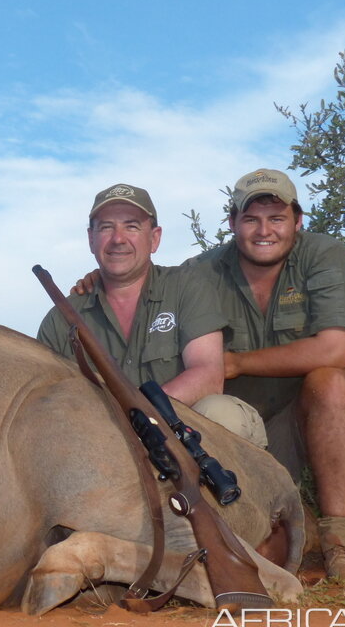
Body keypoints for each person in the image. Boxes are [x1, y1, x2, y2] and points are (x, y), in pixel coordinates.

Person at [185, 168, 345, 580]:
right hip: (237, 432)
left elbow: (335, 349)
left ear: (298, 220)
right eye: (250, 219)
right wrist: (96, 284)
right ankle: (263, 531)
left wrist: (234, 363)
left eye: (276, 217)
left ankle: (342, 543)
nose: (263, 230)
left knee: (333, 381)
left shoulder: (323, 254)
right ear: (232, 223)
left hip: (308, 423)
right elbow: (146, 293)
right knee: (207, 413)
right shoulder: (199, 272)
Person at [37, 184, 266, 446]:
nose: (118, 238)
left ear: (155, 238)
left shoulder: (187, 287)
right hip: (103, 445)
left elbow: (208, 375)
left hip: (184, 434)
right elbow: (46, 403)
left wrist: (138, 414)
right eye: (106, 227)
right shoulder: (60, 320)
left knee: (223, 413)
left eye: (132, 226)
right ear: (91, 239)